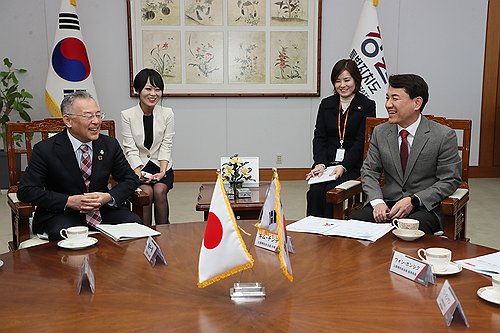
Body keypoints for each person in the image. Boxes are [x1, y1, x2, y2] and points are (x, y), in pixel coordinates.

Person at [17, 91, 141, 241]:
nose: (96, 121)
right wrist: (69, 201)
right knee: (66, 237)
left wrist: (108, 197)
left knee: (134, 224)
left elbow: (130, 179)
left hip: (103, 210)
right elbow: (26, 190)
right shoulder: (45, 149)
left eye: (98, 115)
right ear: (68, 121)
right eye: (88, 116)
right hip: (63, 214)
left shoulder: (109, 145)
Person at [350, 74, 462, 234]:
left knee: (406, 233)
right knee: (352, 228)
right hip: (386, 203)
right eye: (387, 98)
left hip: (423, 208)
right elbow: (369, 171)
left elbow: (450, 179)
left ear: (417, 103)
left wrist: (414, 200)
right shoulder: (380, 132)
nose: (388, 104)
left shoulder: (443, 135)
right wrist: (377, 201)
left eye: (395, 98)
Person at [306, 59, 376, 218]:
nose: (342, 85)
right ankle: (313, 232)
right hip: (326, 163)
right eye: (338, 81)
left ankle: (330, 233)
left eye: (347, 80)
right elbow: (319, 137)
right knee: (315, 191)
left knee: (330, 190)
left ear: (356, 81)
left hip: (351, 166)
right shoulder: (326, 104)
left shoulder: (366, 105)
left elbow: (361, 142)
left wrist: (344, 166)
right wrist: (320, 163)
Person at [121, 68, 175, 226]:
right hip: (138, 167)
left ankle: (164, 232)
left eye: (157, 89)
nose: (153, 94)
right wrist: (138, 174)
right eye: (148, 89)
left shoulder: (168, 114)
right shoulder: (127, 115)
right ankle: (144, 234)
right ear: (138, 90)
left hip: (161, 165)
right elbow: (130, 148)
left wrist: (162, 172)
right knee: (147, 192)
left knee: (159, 191)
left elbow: (166, 145)